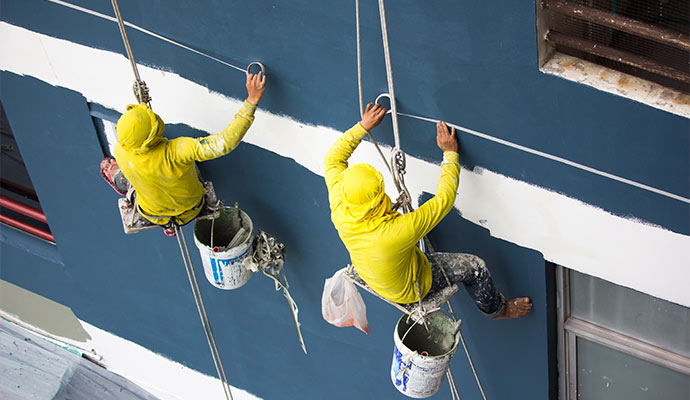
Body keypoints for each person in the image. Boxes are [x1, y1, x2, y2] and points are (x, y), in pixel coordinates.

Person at [324, 102, 531, 319]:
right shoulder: (396, 232)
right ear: (376, 201)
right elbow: (444, 200)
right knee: (475, 267)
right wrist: (450, 154)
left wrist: (363, 126)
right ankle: (497, 310)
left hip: (374, 275)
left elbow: (332, 159)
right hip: (409, 288)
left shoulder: (340, 200)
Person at [100, 72, 267, 236]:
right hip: (191, 209)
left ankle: (115, 176)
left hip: (153, 214)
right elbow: (224, 143)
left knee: (128, 177)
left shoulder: (120, 151)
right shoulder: (178, 151)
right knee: (189, 165)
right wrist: (251, 101)